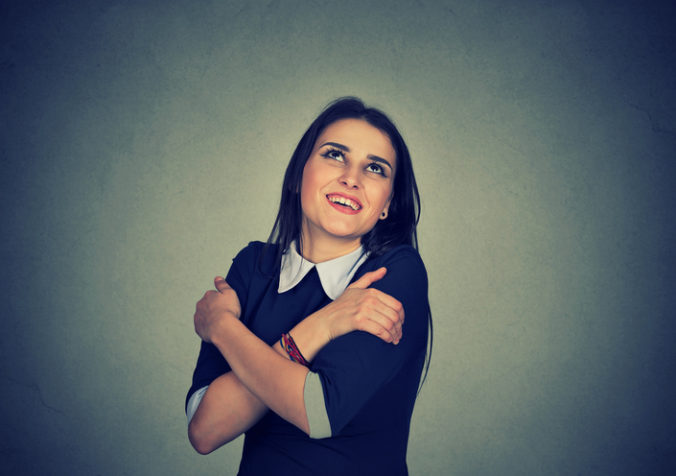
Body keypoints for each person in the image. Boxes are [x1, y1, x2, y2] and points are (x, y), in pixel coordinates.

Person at [186, 97, 432, 476]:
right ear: (298, 174)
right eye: (335, 155)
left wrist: (222, 327)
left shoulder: (395, 273)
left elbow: (318, 411)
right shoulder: (254, 266)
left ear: (387, 204)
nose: (352, 178)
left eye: (375, 168)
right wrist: (326, 322)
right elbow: (205, 430)